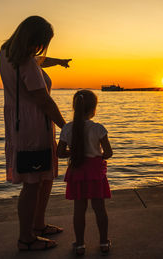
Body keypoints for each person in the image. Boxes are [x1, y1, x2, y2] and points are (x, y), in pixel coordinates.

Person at [0, 16, 71, 251]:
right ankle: (26, 238)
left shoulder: (7, 53)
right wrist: (67, 128)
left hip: (21, 123)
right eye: (42, 42)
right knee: (32, 183)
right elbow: (44, 101)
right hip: (33, 127)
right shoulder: (27, 64)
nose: (42, 48)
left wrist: (58, 61)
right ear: (34, 39)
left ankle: (38, 225)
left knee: (45, 176)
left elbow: (38, 59)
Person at [57, 90, 113, 256]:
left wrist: (74, 153)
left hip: (77, 171)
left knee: (79, 210)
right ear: (93, 109)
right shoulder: (98, 128)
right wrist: (98, 156)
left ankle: (80, 245)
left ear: (75, 107)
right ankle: (103, 242)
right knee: (99, 209)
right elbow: (109, 153)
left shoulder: (67, 128)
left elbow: (59, 153)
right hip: (95, 172)